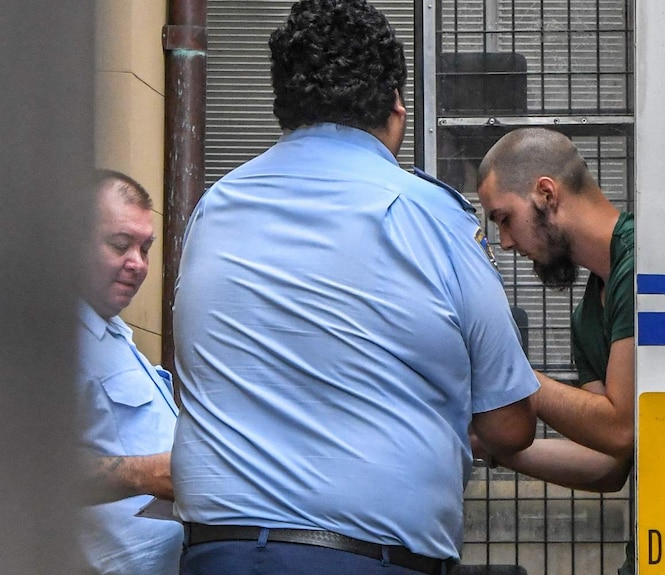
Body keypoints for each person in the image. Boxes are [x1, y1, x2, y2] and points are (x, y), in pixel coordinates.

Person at [170, 1, 539, 574]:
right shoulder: (430, 215)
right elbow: (510, 425)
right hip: (368, 560)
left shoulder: (213, 210)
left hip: (218, 552)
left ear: (282, 105)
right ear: (397, 107)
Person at [474, 127, 635, 574]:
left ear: (546, 193)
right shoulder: (589, 315)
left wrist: (509, 375)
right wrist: (490, 446)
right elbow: (609, 462)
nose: (505, 242)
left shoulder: (642, 263)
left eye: (504, 218)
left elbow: (623, 427)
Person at [75, 170, 183, 574]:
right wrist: (144, 474)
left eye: (146, 247)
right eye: (120, 245)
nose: (137, 264)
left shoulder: (111, 333)